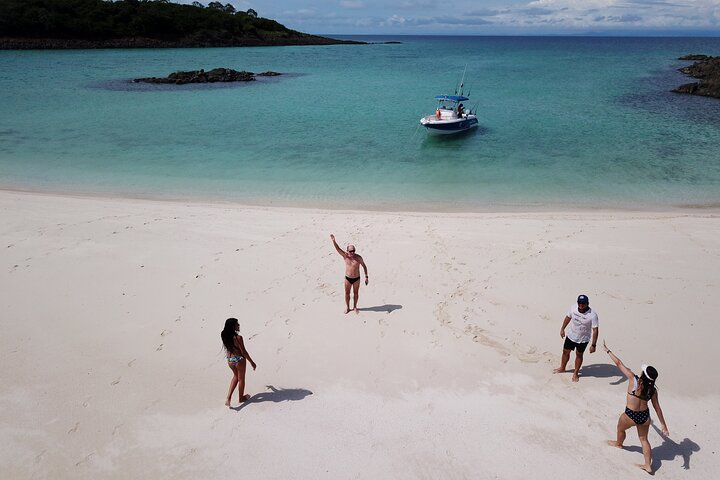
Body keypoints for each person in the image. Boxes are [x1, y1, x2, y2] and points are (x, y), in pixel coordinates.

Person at [603, 340, 669, 474]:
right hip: (644, 417)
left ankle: (619, 444)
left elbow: (619, 363)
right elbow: (657, 408)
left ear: (643, 375)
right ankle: (648, 465)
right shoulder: (652, 391)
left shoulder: (633, 379)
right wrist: (663, 425)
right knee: (644, 440)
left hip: (630, 415)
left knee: (620, 428)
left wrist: (608, 351)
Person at [553, 294, 598, 382]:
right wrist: (562, 329)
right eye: (579, 303)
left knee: (579, 355)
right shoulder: (573, 308)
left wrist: (593, 345)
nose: (581, 305)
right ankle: (562, 367)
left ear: (587, 303)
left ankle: (576, 373)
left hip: (583, 339)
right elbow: (567, 318)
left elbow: (595, 330)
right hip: (571, 335)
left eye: (583, 303)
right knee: (565, 352)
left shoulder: (592, 315)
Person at [220, 318, 257, 407]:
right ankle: (241, 398)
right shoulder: (238, 338)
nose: (239, 325)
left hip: (230, 360)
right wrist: (252, 362)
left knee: (235, 377)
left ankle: (228, 398)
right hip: (239, 359)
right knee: (241, 379)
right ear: (233, 326)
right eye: (237, 324)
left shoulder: (224, 335)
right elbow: (244, 352)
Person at [330, 233, 369, 314]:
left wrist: (366, 277)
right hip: (348, 278)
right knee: (347, 293)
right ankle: (347, 307)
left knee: (356, 293)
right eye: (351, 251)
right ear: (347, 251)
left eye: (354, 251)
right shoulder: (345, 256)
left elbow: (364, 266)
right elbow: (338, 249)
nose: (352, 252)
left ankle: (355, 307)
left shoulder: (358, 258)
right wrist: (334, 241)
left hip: (356, 279)